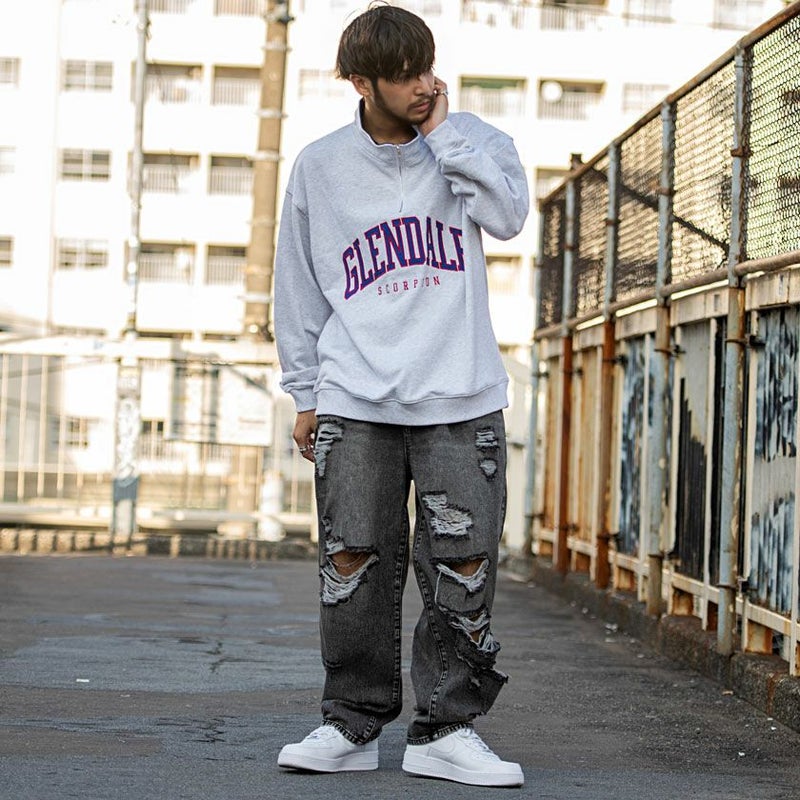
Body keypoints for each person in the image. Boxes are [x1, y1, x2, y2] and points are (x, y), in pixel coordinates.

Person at [273, 2, 529, 788]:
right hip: (355, 401)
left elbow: (508, 217)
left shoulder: (473, 141)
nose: (424, 86)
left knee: (464, 567)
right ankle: (350, 723)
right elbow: (298, 286)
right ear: (361, 82)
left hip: (461, 397)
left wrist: (444, 138)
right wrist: (305, 392)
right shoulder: (320, 166)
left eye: (427, 68)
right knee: (351, 566)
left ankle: (446, 729)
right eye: (404, 75)